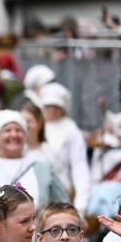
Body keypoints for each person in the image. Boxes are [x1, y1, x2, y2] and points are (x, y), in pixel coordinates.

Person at [34, 83, 91, 213]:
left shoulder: (71, 130)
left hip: (60, 191)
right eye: (48, 106)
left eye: (56, 106)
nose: (52, 110)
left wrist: (81, 202)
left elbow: (79, 165)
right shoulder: (35, 126)